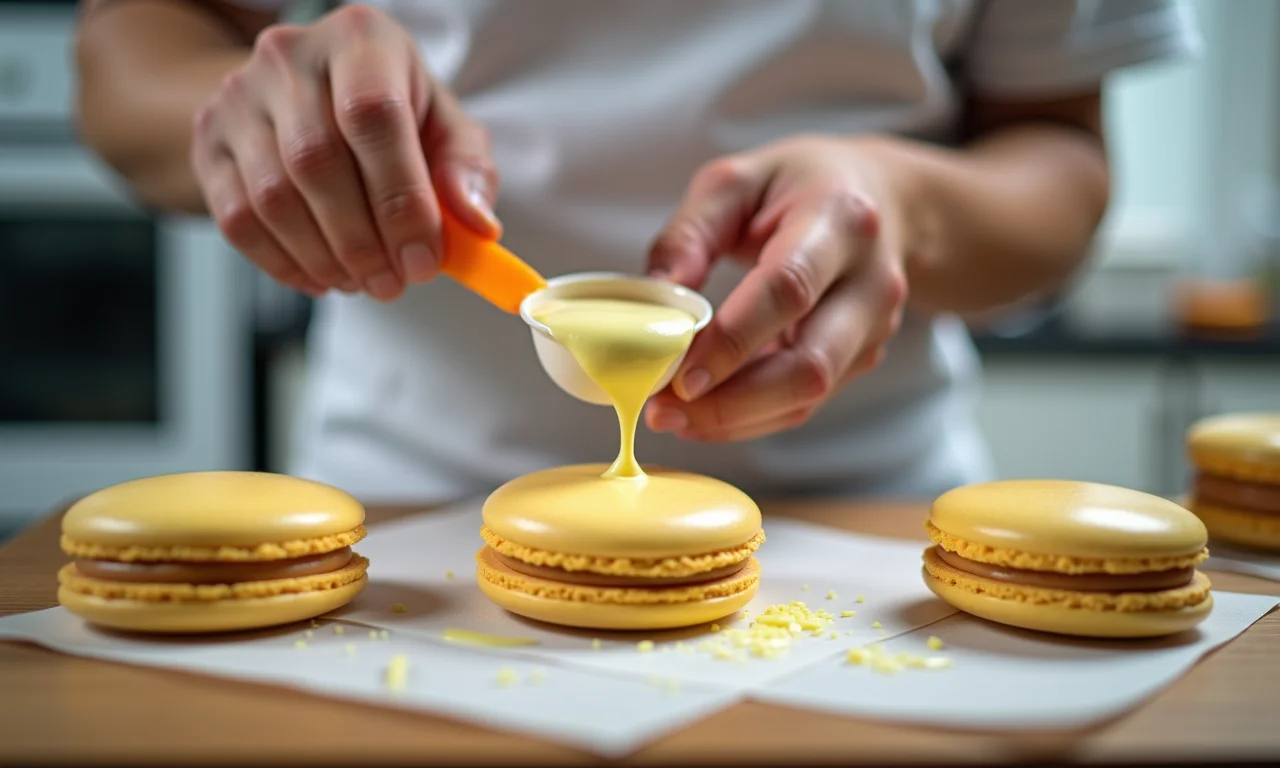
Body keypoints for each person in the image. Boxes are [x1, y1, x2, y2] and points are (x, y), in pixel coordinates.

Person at [74, 0, 1199, 503]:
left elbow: (1061, 159)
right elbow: (126, 51)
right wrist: (253, 121)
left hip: (867, 519)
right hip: (409, 512)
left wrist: (905, 205)